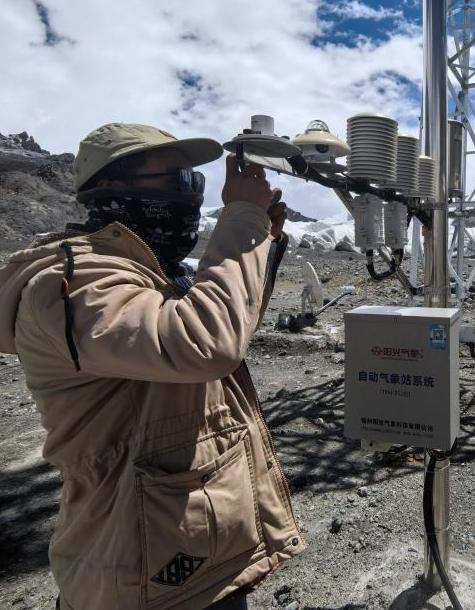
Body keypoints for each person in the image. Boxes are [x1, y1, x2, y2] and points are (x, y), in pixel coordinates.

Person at [0, 123, 304, 609]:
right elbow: (205, 344)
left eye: (192, 181)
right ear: (111, 188)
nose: (188, 195)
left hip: (184, 549)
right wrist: (242, 217)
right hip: (138, 573)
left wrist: (260, 238)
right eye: (172, 181)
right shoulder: (73, 280)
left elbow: (230, 326)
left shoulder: (150, 272)